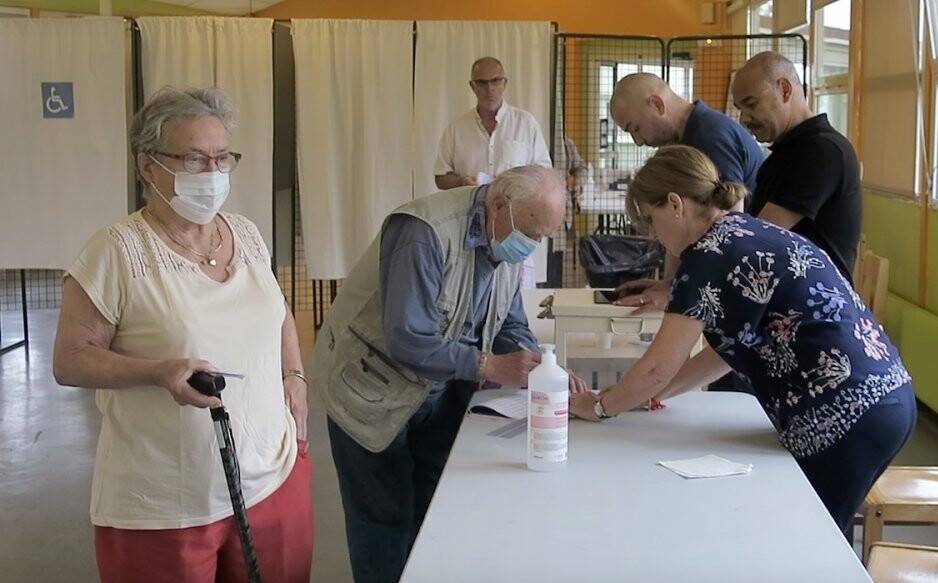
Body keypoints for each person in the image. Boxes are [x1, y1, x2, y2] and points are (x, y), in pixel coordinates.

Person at [569, 146, 916, 535]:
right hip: (888, 400)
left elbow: (655, 367)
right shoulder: (745, 231)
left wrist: (600, 406)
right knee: (817, 534)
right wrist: (651, 394)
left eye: (651, 221)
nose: (653, 236)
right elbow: (728, 350)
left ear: (675, 204)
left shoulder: (707, 256)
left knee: (813, 541)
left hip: (845, 412)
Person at [52, 87, 313, 582]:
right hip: (164, 504)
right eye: (194, 159)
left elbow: (276, 314)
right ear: (148, 166)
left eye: (222, 158)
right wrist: (157, 371)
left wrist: (295, 377)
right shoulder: (116, 250)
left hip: (271, 475)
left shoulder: (247, 233)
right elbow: (71, 359)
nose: (212, 174)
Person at [313, 166, 588, 583]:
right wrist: (491, 366)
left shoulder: (506, 234)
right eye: (531, 234)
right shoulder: (423, 232)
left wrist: (541, 365)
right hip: (369, 392)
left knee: (433, 507)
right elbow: (408, 339)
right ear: (498, 204)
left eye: (542, 237)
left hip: (438, 394)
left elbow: (509, 323)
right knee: (384, 517)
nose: (532, 247)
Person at [608, 72, 764, 315]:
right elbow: (680, 227)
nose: (637, 141)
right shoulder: (688, 137)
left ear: (657, 104)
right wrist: (670, 283)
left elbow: (730, 230)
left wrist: (680, 293)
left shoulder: (709, 136)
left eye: (635, 128)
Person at [732, 51, 862, 283]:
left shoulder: (821, 151)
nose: (743, 118)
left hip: (817, 309)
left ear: (784, 90)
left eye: (751, 104)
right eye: (740, 108)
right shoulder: (786, 153)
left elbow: (761, 238)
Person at [434, 56, 552, 290]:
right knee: (470, 289)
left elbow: (543, 172)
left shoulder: (525, 123)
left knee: (517, 292)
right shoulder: (456, 129)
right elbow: (440, 176)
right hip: (469, 226)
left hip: (515, 224)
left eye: (495, 81)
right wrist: (461, 181)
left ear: (505, 82)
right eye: (482, 82)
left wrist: (516, 184)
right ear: (472, 86)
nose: (489, 89)